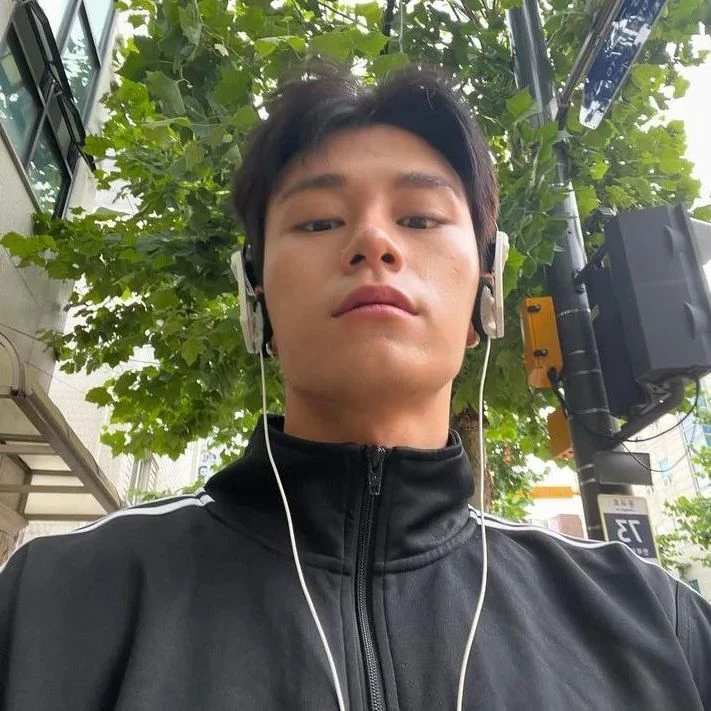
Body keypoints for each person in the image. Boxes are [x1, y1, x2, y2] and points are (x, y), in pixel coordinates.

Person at [1, 66, 710, 711]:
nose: (373, 241)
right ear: (255, 298)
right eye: (318, 221)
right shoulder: (53, 601)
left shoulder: (662, 625)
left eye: (419, 218)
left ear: (485, 291)